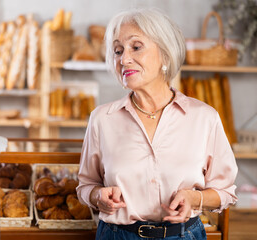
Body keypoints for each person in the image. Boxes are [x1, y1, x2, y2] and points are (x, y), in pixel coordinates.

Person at [77, 8, 238, 240]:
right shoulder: (102, 119)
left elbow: (225, 192)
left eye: (136, 47)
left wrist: (195, 199)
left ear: (165, 53)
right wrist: (97, 196)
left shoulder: (204, 118)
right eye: (118, 50)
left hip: (184, 235)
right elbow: (85, 186)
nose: (124, 59)